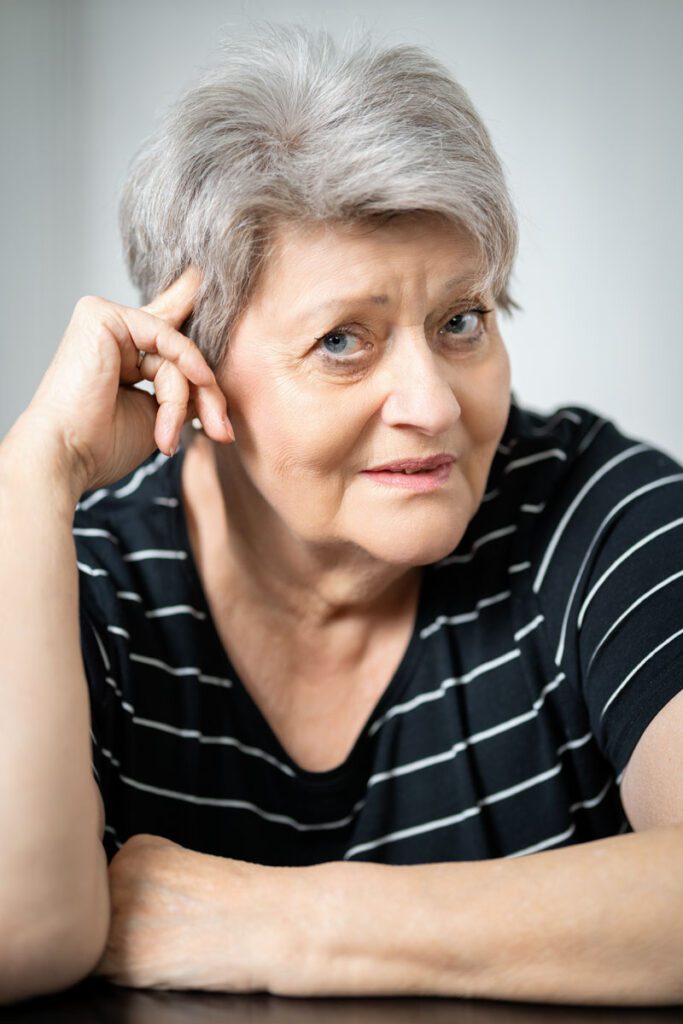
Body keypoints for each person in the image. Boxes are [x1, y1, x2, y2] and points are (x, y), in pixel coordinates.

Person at [1, 21, 682, 1008]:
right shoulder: (81, 577)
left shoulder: (598, 511)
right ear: (189, 359)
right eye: (342, 342)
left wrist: (278, 921)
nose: (434, 403)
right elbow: (25, 934)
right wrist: (31, 472)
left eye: (461, 320)